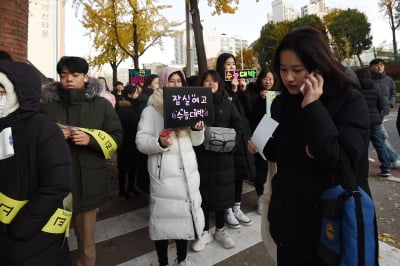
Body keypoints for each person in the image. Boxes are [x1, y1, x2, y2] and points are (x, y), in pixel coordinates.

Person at [248, 26, 376, 265]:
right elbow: (281, 153)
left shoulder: (349, 100)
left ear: (319, 66)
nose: (288, 78)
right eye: (283, 70)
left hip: (331, 224)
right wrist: (261, 144)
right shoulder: (282, 102)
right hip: (290, 223)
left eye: (297, 70)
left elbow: (340, 160)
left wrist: (313, 107)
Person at [40, 56, 123, 266]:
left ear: (86, 77)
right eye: (64, 75)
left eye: (75, 75)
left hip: (88, 185)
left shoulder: (102, 105)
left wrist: (91, 140)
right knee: (50, 241)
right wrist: (52, 136)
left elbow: (117, 137)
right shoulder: (46, 106)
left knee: (86, 245)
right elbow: (33, 139)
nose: (68, 79)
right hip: (53, 186)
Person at [0, 60, 72, 265]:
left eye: (1, 91)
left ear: (19, 91)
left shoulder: (43, 129)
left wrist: (21, 228)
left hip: (32, 240)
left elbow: (57, 184)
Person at [135, 67, 205, 266]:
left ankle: (182, 259)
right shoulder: (152, 109)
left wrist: (196, 129)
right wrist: (160, 142)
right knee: (163, 222)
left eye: (179, 81)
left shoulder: (190, 105)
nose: (176, 85)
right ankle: (163, 261)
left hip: (187, 173)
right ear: (164, 83)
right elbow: (140, 142)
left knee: (184, 217)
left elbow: (197, 142)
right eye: (171, 81)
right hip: (164, 175)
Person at [192, 70, 242, 251]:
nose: (210, 84)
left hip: (223, 159)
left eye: (214, 81)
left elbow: (239, 126)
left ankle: (220, 230)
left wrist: (230, 144)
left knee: (222, 195)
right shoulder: (195, 103)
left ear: (219, 83)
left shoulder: (228, 105)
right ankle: (204, 232)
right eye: (206, 81)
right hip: (202, 158)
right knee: (203, 196)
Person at [216, 53, 255, 229]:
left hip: (242, 136)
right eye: (228, 64)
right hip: (227, 136)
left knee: (239, 173)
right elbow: (224, 109)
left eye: (233, 64)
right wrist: (231, 91)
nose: (231, 67)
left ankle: (237, 207)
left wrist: (243, 91)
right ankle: (227, 210)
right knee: (228, 175)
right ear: (221, 66)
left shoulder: (241, 85)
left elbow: (249, 110)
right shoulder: (220, 86)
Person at [247, 67, 276, 214]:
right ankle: (260, 198)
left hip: (275, 137)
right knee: (261, 169)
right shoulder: (254, 94)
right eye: (265, 78)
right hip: (260, 136)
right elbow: (252, 116)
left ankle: (274, 198)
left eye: (270, 79)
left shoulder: (279, 95)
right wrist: (261, 100)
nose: (268, 82)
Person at [356, 67, 392, 177]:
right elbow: (381, 105)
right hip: (375, 120)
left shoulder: (356, 87)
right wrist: (378, 116)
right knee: (380, 144)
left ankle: (361, 169)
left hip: (361, 120)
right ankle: (386, 168)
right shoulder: (375, 87)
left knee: (362, 145)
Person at [369, 58, 400, 169]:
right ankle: (394, 159)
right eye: (377, 65)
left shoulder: (389, 79)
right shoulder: (367, 80)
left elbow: (393, 93)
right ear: (371, 67)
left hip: (384, 111)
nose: (380, 67)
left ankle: (363, 156)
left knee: (373, 134)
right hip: (373, 112)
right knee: (381, 136)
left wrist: (390, 104)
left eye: (382, 65)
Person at [116, 84, 141, 198]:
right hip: (125, 143)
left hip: (133, 142)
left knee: (133, 167)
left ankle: (131, 187)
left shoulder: (134, 107)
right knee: (123, 168)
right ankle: (122, 190)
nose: (138, 95)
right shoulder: (123, 109)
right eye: (136, 93)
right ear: (130, 95)